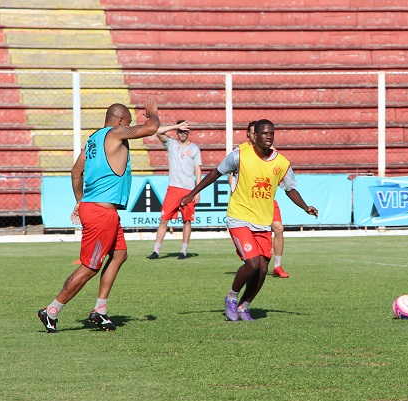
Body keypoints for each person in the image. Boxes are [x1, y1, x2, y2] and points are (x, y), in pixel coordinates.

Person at [37, 101, 160, 333]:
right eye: (129, 123)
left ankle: (100, 310)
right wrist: (152, 113)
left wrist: (79, 199)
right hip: (101, 212)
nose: (129, 127)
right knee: (90, 267)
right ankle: (51, 310)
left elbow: (76, 171)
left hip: (100, 209)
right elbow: (151, 127)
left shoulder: (93, 140)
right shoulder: (116, 132)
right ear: (121, 121)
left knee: (120, 255)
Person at [181, 119, 318, 321]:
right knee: (252, 263)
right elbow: (215, 173)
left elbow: (290, 189)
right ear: (255, 136)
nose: (268, 136)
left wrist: (306, 207)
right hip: (239, 217)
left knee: (262, 270)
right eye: (264, 133)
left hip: (262, 222)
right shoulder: (239, 156)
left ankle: (244, 306)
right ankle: (231, 297)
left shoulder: (281, 163)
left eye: (271, 133)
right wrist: (192, 193)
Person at [231, 121, 290, 279]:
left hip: (266, 200)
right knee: (253, 258)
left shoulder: (271, 152)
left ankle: (277, 265)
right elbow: (231, 174)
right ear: (250, 134)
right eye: (251, 132)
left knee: (278, 228)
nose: (253, 135)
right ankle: (251, 262)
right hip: (247, 202)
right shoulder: (240, 152)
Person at [147, 120, 200, 260]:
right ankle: (156, 250)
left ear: (188, 132)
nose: (183, 133)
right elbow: (157, 131)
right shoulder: (172, 144)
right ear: (177, 132)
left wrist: (197, 191)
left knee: (187, 220)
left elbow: (197, 170)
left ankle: (183, 251)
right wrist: (177, 125)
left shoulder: (194, 148)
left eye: (185, 131)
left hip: (189, 189)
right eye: (181, 131)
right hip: (173, 188)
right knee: (164, 219)